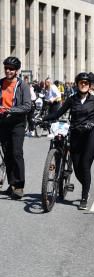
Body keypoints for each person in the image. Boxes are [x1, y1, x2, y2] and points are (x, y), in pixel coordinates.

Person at [43, 72, 94, 209]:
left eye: (86, 83)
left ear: (89, 85)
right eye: (81, 82)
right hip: (75, 135)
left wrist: (92, 123)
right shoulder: (72, 99)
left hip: (90, 136)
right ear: (77, 84)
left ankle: (84, 196)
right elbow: (58, 113)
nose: (83, 84)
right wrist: (43, 118)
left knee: (85, 166)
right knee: (76, 169)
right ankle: (86, 184)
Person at [0, 57, 31, 199]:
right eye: (6, 68)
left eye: (11, 69)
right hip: (3, 123)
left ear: (16, 71)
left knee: (17, 153)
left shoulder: (22, 85)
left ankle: (19, 186)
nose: (8, 71)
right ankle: (12, 184)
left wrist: (10, 110)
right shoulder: (1, 83)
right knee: (7, 154)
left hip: (17, 123)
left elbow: (27, 106)